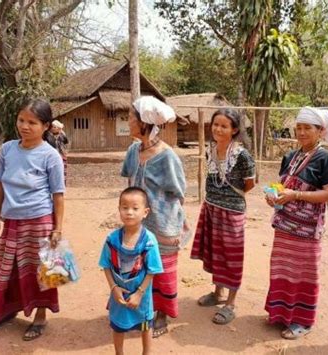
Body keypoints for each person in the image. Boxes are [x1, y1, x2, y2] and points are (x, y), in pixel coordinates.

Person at [0, 99, 65, 341]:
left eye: (32, 122)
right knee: (4, 268)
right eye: (21, 120)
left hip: (40, 221)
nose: (25, 126)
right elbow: (0, 185)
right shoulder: (8, 149)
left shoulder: (51, 156)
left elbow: (58, 195)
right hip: (12, 222)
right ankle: (10, 307)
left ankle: (40, 316)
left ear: (46, 126)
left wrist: (58, 229)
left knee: (44, 271)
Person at [264, 107, 328, 339]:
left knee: (304, 274)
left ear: (320, 131)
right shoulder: (290, 156)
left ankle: (302, 321)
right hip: (284, 226)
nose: (302, 132)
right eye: (299, 127)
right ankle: (280, 314)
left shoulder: (325, 158)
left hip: (307, 231)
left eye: (308, 128)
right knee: (282, 269)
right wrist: (273, 197)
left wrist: (295, 195)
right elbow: (281, 186)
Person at [121, 96, 188, 338]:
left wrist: (169, 218)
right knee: (137, 267)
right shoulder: (132, 151)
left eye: (131, 117)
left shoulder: (167, 156)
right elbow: (129, 180)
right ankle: (140, 310)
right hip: (137, 223)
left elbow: (179, 192)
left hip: (163, 223)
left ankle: (162, 314)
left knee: (163, 271)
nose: (128, 121)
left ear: (145, 123)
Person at [190, 108, 255, 325]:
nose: (218, 129)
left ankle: (230, 302)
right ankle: (217, 293)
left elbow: (249, 184)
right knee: (215, 252)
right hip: (211, 208)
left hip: (232, 212)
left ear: (234, 129)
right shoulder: (211, 149)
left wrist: (229, 199)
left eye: (224, 126)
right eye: (215, 124)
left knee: (231, 256)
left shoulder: (242, 155)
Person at [99, 187, 163, 355]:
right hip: (119, 294)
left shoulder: (149, 241)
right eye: (124, 207)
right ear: (119, 209)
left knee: (145, 326)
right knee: (118, 326)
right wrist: (114, 288)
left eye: (135, 208)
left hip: (142, 296)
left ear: (145, 212)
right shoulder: (112, 239)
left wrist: (140, 293)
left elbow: (152, 270)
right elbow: (105, 265)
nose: (129, 212)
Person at [45, 119, 69, 184]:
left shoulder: (62, 135)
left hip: (61, 154)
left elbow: (66, 143)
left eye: (55, 127)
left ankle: (62, 183)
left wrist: (65, 151)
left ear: (59, 128)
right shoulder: (48, 135)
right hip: (52, 155)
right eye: (52, 127)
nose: (53, 128)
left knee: (62, 169)